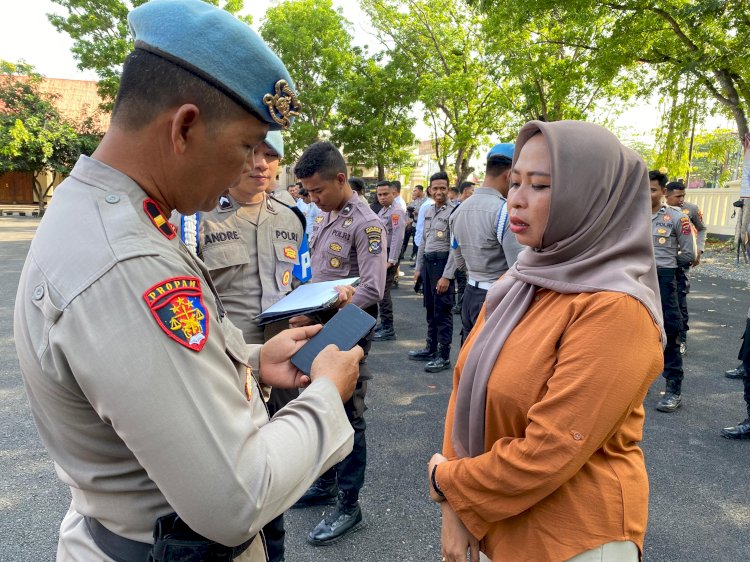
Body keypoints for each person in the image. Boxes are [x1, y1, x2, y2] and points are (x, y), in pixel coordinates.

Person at [13, 2, 363, 560]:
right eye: (248, 145)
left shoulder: (106, 212)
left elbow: (139, 383)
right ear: (185, 127)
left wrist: (250, 363)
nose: (253, 167)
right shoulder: (128, 262)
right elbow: (235, 499)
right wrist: (327, 393)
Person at [427, 120, 664, 562]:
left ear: (592, 198)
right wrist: (453, 508)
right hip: (499, 522)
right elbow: (464, 388)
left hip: (573, 540)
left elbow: (550, 449)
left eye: (539, 185)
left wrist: (449, 484)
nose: (515, 198)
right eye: (514, 181)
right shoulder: (522, 280)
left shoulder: (616, 309)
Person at [184, 131, 300, 562]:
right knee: (234, 479)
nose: (261, 165)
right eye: (252, 153)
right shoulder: (198, 220)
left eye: (271, 156)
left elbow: (297, 282)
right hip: (228, 370)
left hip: (285, 363)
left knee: (281, 474)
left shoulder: (291, 218)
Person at [289, 141, 386, 546]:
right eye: (307, 193)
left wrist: (315, 312)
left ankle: (350, 505)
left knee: (347, 413)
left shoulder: (367, 224)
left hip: (347, 328)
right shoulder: (327, 214)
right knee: (322, 402)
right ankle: (326, 483)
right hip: (321, 324)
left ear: (341, 179)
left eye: (317, 191)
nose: (312, 199)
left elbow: (373, 288)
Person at [443, 143, 523, 344]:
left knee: (468, 357)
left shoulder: (457, 212)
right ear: (509, 174)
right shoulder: (505, 212)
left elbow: (459, 262)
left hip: (469, 295)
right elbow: (518, 269)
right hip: (496, 298)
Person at [649, 170, 695, 412]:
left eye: (652, 190)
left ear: (663, 192)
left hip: (666, 280)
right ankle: (635, 385)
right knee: (636, 332)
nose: (647, 194)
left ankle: (673, 390)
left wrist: (668, 270)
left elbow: (689, 254)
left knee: (670, 333)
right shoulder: (631, 216)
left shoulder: (678, 218)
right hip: (639, 280)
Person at [409, 171, 455, 373]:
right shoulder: (427, 211)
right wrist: (418, 269)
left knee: (442, 311)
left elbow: (455, 247)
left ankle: (443, 356)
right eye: (435, 188)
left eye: (442, 188)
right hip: (428, 264)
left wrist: (447, 275)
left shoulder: (454, 212)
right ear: (430, 189)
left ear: (448, 189)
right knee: (430, 308)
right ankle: (431, 348)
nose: (438, 192)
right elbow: (423, 242)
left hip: (443, 265)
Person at [665, 179, 707, 354]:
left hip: (682, 263)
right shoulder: (658, 211)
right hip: (662, 263)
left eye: (683, 195)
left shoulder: (691, 209)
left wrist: (699, 250)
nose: (681, 199)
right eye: (678, 196)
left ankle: (681, 339)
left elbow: (702, 228)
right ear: (666, 195)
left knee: (680, 300)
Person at [373, 181, 407, 341]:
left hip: (388, 256)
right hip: (382, 255)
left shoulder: (396, 212)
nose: (382, 197)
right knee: (380, 291)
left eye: (385, 194)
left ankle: (388, 328)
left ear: (393, 194)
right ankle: (385, 323)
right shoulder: (384, 211)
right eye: (379, 194)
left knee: (383, 292)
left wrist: (392, 260)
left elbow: (397, 238)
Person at [406, 184, 427, 261]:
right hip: (414, 224)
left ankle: (418, 259)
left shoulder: (426, 201)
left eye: (415, 190)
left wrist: (419, 212)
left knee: (420, 243)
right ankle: (415, 257)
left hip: (421, 224)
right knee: (415, 241)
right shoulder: (416, 200)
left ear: (420, 191)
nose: (414, 192)